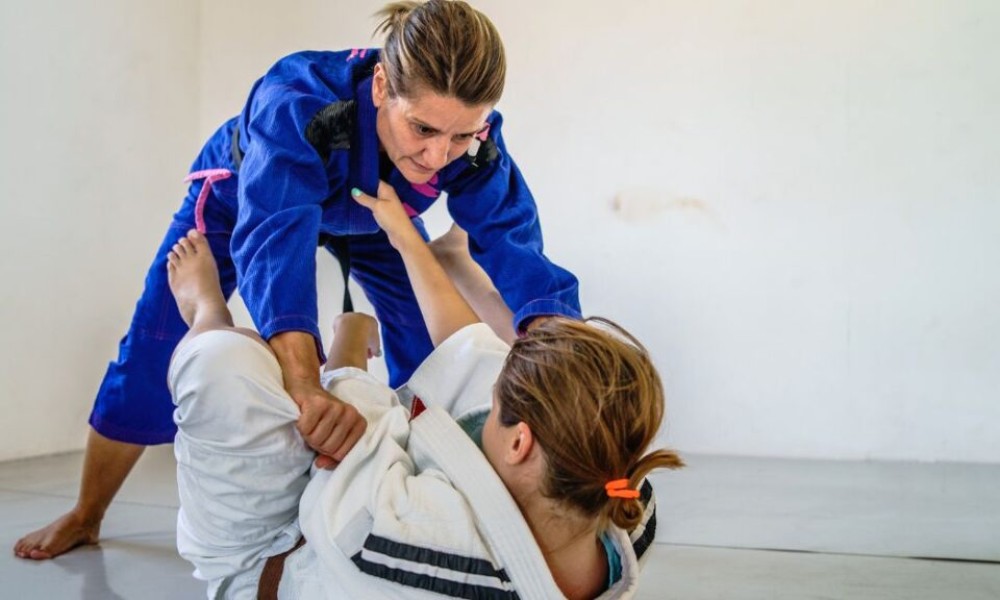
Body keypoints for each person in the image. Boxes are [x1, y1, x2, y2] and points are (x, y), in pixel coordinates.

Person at [14, 0, 580, 560]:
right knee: (153, 343)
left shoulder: (470, 140)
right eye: (423, 129)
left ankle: (423, 496)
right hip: (248, 199)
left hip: (373, 211)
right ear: (382, 86)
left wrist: (570, 364)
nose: (438, 155)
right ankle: (87, 515)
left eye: (460, 137)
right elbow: (274, 236)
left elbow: (512, 241)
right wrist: (305, 384)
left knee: (428, 349)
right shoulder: (299, 97)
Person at [167, 181, 683, 599]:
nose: (491, 386)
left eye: (498, 399)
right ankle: (438, 257)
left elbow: (345, 429)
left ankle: (204, 313)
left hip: (273, 559)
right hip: (355, 515)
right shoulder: (620, 497)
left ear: (520, 442)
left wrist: (349, 339)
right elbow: (469, 353)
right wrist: (404, 235)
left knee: (225, 361)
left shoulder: (415, 534)